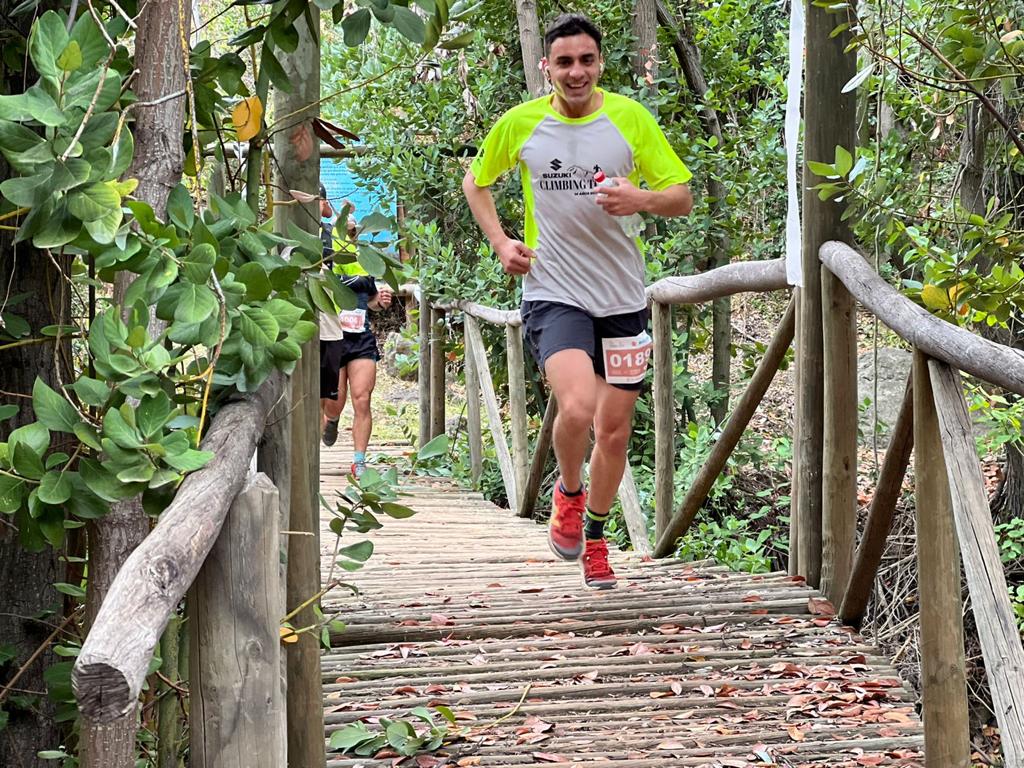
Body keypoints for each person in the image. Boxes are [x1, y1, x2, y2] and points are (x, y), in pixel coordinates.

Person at [462, 13, 693, 589]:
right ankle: (568, 491)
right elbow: (476, 181)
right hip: (553, 290)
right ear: (547, 67)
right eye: (564, 62)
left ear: (599, 64)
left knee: (614, 431)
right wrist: (500, 242)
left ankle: (595, 537)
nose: (576, 72)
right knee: (578, 408)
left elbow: (681, 197)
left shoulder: (629, 119)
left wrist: (640, 198)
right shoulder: (521, 124)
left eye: (586, 60)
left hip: (620, 297)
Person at [319, 209, 394, 479]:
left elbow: (372, 299)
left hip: (360, 338)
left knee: (362, 399)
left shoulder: (365, 258)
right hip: (332, 337)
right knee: (332, 404)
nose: (352, 233)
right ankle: (333, 421)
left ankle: (359, 462)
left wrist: (381, 301)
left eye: (355, 230)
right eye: (348, 230)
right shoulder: (323, 253)